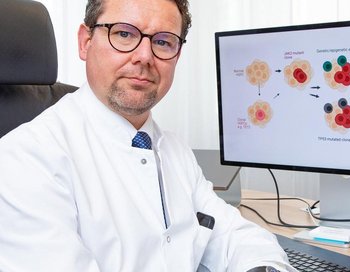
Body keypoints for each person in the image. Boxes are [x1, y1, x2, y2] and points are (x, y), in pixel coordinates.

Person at [0, 0, 296, 271]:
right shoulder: (25, 159)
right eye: (124, 34)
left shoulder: (174, 151)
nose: (144, 57)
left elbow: (234, 235)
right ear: (85, 42)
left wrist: (263, 266)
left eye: (163, 41)